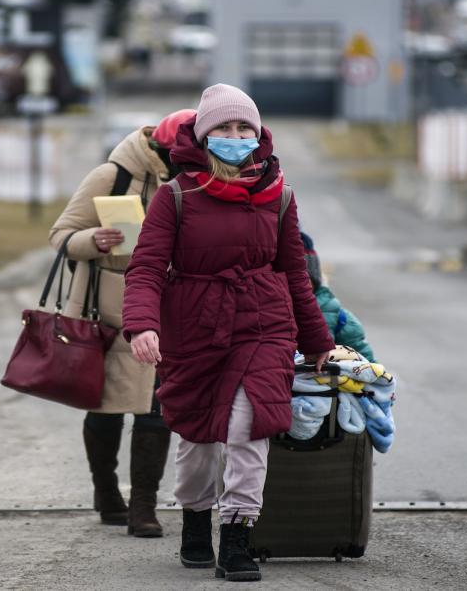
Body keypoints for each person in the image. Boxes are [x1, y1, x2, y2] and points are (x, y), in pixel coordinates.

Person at [122, 84, 335, 582]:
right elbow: (147, 267)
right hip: (195, 328)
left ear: (259, 135)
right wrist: (142, 326)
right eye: (223, 127)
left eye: (245, 128)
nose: (236, 136)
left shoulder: (279, 197)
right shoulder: (176, 196)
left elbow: (295, 273)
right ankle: (196, 519)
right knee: (198, 437)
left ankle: (237, 537)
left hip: (264, 325)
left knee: (247, 427)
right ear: (203, 135)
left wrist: (319, 340)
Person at [48, 109, 196, 538]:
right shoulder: (111, 175)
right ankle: (106, 489)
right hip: (108, 311)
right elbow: (61, 234)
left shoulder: (197, 177)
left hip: (167, 310)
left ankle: (143, 505)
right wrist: (91, 240)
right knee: (107, 408)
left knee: (157, 409)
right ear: (163, 149)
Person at [300, 232, 376, 361]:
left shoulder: (332, 313)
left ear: (315, 281)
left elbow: (368, 363)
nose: (297, 286)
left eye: (304, 279)